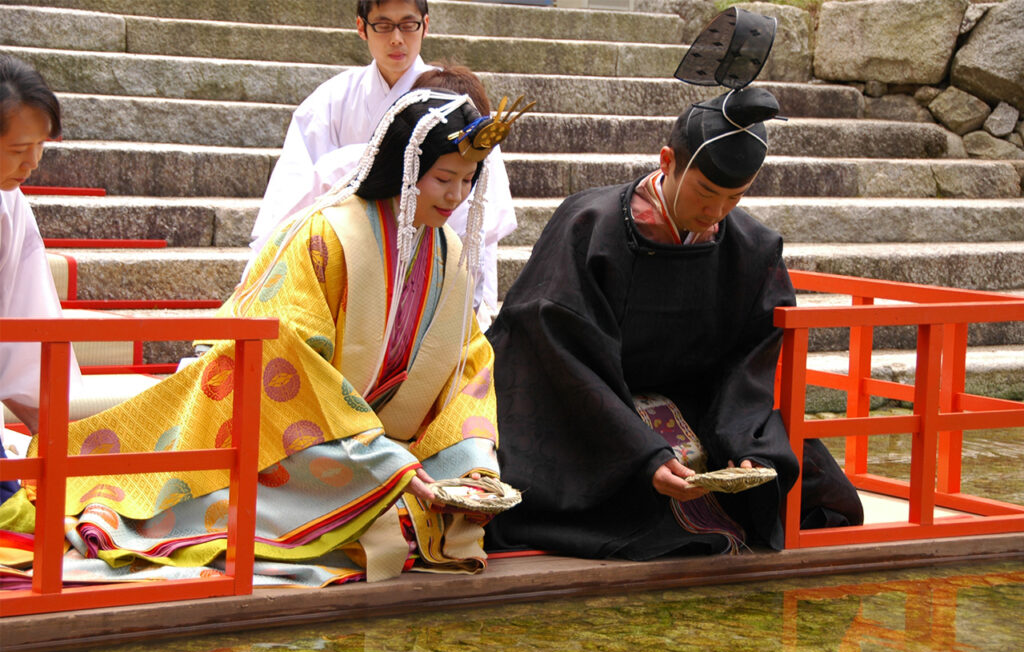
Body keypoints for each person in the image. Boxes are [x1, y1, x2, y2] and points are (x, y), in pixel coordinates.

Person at [0, 89, 529, 587]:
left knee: (438, 523)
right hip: (289, 438)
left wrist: (471, 461)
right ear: (407, 169)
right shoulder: (326, 235)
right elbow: (285, 359)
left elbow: (468, 365)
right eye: (444, 179)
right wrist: (380, 459)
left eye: (467, 180)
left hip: (381, 446)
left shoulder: (450, 257)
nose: (456, 196)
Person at [483, 83, 863, 560]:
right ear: (667, 161)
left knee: (814, 498)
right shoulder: (590, 225)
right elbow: (556, 347)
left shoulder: (753, 246)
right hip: (590, 404)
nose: (716, 212)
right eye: (706, 192)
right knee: (631, 513)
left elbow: (750, 358)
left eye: (735, 197)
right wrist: (642, 455)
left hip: (693, 402)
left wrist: (744, 443)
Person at [251, 0, 517, 321]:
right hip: (345, 261)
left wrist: (471, 304)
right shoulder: (330, 101)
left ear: (425, 25)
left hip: (431, 263)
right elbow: (290, 203)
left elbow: (476, 213)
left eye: (408, 25)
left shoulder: (456, 104)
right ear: (362, 27)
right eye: (383, 25)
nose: (396, 39)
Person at [0, 55, 80, 503]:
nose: (31, 163)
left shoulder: (9, 203)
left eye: (41, 147)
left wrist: (52, 428)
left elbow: (26, 313)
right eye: (17, 149)